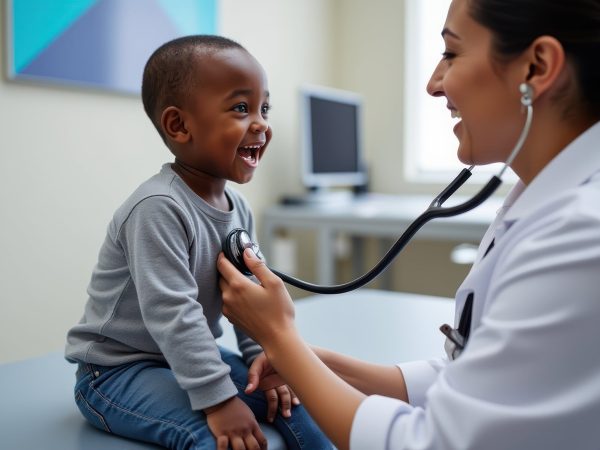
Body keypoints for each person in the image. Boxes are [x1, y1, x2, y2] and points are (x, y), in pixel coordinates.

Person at [217, 0, 600, 449]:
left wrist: (280, 338)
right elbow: (485, 374)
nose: (433, 83)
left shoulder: (581, 234)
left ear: (537, 67)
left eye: (452, 54)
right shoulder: (541, 201)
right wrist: (325, 366)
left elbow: (431, 443)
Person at [65, 35, 331, 450]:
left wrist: (269, 362)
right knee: (216, 438)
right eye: (242, 108)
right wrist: (220, 399)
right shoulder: (157, 207)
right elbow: (174, 313)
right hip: (117, 372)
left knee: (299, 404)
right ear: (179, 125)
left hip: (183, 357)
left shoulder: (237, 207)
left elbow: (248, 300)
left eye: (264, 108)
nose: (261, 123)